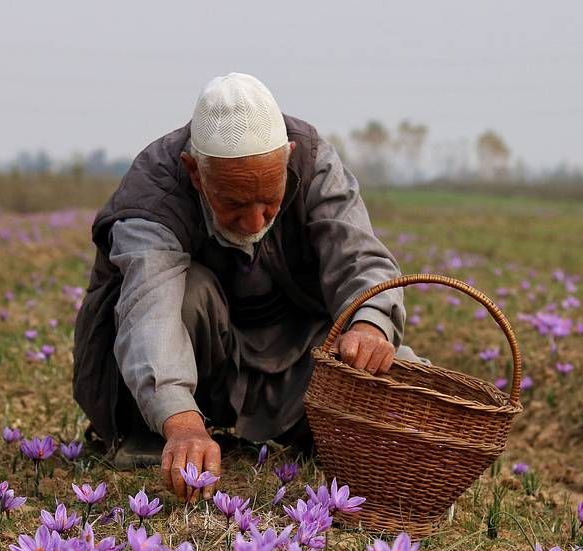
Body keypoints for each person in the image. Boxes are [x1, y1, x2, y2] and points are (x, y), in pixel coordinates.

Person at [73, 72, 423, 500]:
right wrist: (180, 421)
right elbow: (150, 314)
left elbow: (358, 257)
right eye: (235, 202)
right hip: (198, 353)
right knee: (187, 291)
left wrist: (369, 324)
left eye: (270, 199)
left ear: (287, 157)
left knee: (400, 375)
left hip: (293, 352)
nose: (255, 221)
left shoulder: (315, 164)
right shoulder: (155, 194)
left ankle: (319, 428)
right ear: (195, 173)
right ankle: (153, 428)